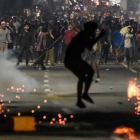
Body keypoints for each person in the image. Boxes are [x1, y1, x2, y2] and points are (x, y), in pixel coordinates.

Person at [64, 22, 105, 108]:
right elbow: (90, 46)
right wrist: (99, 36)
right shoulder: (83, 35)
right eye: (93, 30)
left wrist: (95, 36)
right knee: (87, 73)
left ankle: (81, 98)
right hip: (71, 59)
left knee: (85, 75)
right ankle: (83, 95)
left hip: (74, 58)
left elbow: (89, 46)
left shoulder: (84, 34)